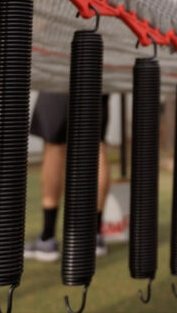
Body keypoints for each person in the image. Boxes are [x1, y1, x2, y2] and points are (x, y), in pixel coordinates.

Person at [23, 93, 111, 262]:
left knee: (54, 142)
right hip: (99, 70)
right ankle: (94, 236)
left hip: (62, 71)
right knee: (96, 142)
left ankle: (48, 238)